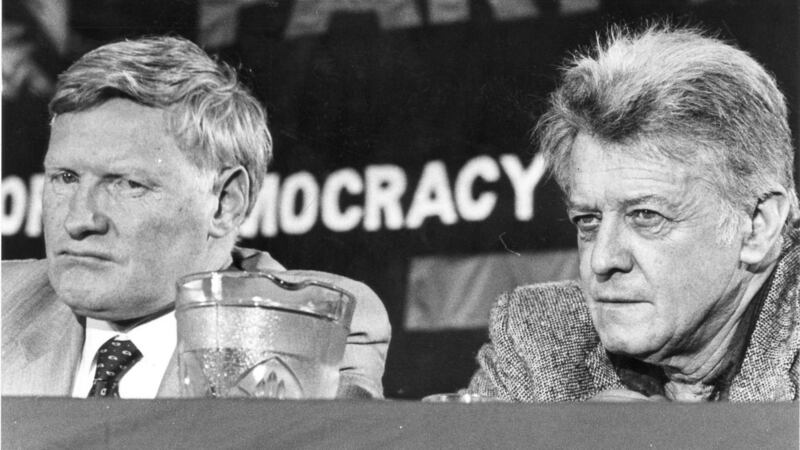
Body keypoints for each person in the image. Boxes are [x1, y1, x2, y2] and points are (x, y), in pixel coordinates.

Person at [1, 36, 390, 399]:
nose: (78, 220)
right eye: (65, 178)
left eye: (128, 184)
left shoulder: (306, 320)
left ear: (225, 203)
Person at [466, 25, 799, 402]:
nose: (602, 260)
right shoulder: (540, 337)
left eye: (646, 216)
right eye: (588, 220)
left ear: (758, 225)